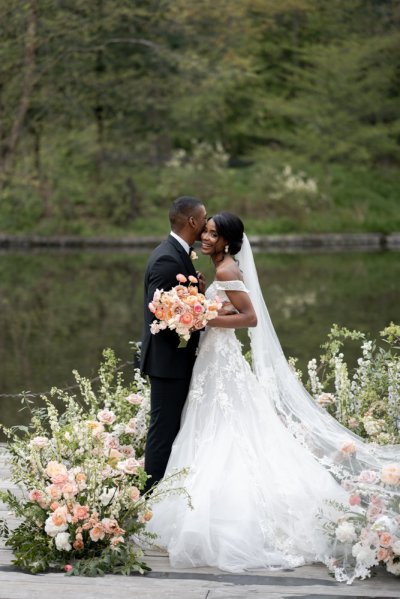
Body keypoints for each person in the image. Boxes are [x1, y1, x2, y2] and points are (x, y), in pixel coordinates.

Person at [145, 212, 399, 582]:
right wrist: (204, 305)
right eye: (205, 231)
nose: (205, 237)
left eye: (213, 234)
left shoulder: (229, 270)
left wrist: (203, 317)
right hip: (211, 361)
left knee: (226, 429)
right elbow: (228, 307)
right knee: (208, 425)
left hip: (221, 359)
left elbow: (250, 318)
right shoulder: (219, 268)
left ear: (227, 242)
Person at [140, 196, 207, 493]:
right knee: (163, 431)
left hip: (174, 360)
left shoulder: (177, 254)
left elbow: (180, 305)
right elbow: (164, 317)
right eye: (204, 219)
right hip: (169, 362)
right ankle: (149, 496)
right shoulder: (168, 259)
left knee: (170, 428)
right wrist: (202, 316)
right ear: (192, 221)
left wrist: (198, 294)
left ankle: (162, 493)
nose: (206, 225)